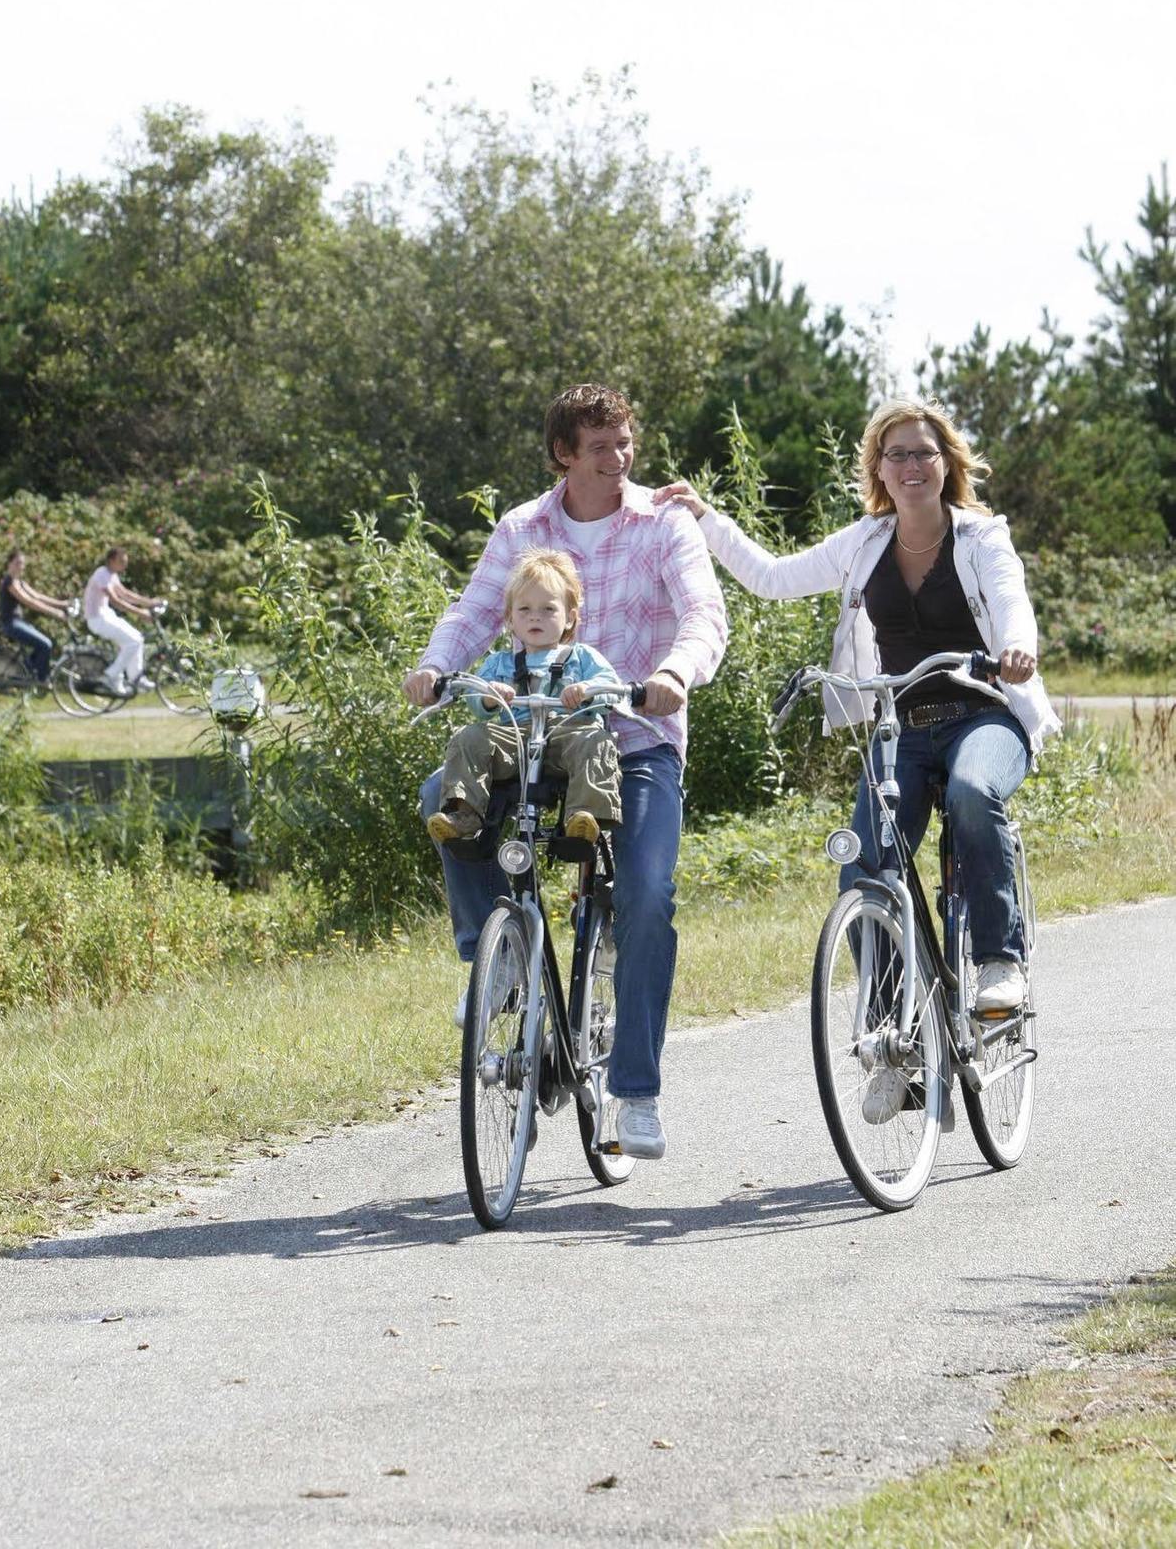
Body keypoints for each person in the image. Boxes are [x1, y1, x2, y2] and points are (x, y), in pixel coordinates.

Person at [657, 396, 1061, 1051]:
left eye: (922, 452)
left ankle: (998, 961)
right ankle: (887, 1035)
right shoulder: (865, 541)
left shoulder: (980, 537)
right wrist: (705, 518)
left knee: (968, 791)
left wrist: (1016, 647)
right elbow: (770, 578)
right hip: (901, 726)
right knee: (865, 863)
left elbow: (1009, 596)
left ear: (944, 461)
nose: (909, 465)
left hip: (982, 716)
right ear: (877, 467)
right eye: (895, 453)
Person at [404, 383, 728, 1161]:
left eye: (624, 444)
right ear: (563, 454)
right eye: (599, 447)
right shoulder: (523, 528)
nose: (617, 460)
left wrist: (676, 673)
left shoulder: (663, 524)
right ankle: (500, 960)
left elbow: (702, 615)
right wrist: (434, 667)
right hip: (530, 733)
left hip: (635, 735)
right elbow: (475, 611)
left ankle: (636, 1093)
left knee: (647, 899)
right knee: (440, 797)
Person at [427, 549, 623, 847]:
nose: (535, 616)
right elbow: (475, 698)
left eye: (548, 609)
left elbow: (611, 687)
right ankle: (463, 813)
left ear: (570, 618)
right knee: (470, 737)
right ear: (510, 619)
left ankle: (585, 816)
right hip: (515, 740)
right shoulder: (501, 663)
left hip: (566, 735)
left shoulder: (581, 657)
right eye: (525, 610)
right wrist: (491, 697)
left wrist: (585, 691)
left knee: (595, 740)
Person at [83, 546, 161, 698]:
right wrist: (140, 613)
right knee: (133, 642)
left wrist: (150, 603)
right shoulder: (102, 574)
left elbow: (125, 594)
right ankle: (110, 676)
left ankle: (136, 678)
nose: (125, 564)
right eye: (121, 561)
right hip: (97, 619)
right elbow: (116, 600)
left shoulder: (111, 575)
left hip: (105, 616)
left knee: (137, 638)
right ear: (111, 560)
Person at [0, 549, 71, 685]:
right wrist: (55, 612)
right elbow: (29, 602)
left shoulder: (19, 582)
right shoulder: (9, 582)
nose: (20, 566)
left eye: (22, 563)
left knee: (41, 646)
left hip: (18, 622)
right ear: (9, 563)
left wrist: (62, 604)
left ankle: (24, 674)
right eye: (17, 563)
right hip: (11, 624)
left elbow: (37, 596)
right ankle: (41, 680)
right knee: (46, 644)